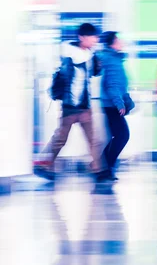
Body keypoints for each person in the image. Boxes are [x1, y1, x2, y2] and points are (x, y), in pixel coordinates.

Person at [35, 23, 109, 181]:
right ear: (82, 37)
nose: (95, 39)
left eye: (96, 37)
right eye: (92, 36)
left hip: (85, 106)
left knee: (93, 140)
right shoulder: (70, 55)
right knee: (60, 139)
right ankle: (43, 165)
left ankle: (98, 170)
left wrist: (97, 64)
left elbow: (93, 74)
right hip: (70, 107)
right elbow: (66, 78)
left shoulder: (90, 54)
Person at [99, 32, 134, 181]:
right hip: (111, 104)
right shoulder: (111, 59)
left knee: (119, 135)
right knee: (122, 135)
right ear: (112, 43)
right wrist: (119, 103)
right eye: (119, 40)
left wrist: (125, 98)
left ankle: (104, 167)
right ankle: (104, 167)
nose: (122, 42)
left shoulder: (115, 59)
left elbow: (120, 84)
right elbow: (111, 84)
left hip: (112, 103)